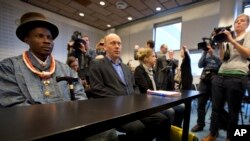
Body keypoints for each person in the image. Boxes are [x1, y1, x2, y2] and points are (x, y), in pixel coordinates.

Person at [89, 33, 171, 141]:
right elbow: (97, 89)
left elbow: (135, 87)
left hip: (133, 107)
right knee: (139, 128)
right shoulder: (97, 64)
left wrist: (134, 100)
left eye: (119, 43)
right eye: (113, 43)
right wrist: (122, 101)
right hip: (114, 110)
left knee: (163, 120)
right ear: (105, 47)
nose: (117, 46)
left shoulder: (126, 68)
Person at [0, 12, 87, 107]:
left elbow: (80, 96)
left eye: (49, 37)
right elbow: (12, 104)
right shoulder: (9, 67)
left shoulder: (66, 69)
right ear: (27, 39)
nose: (47, 41)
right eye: (40, 36)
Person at [202, 13, 250, 141]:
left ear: (247, 24)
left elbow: (247, 54)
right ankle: (212, 134)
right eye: (236, 21)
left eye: (242, 21)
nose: (238, 23)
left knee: (233, 111)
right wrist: (221, 43)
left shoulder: (248, 35)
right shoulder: (229, 39)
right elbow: (223, 58)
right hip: (221, 75)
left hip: (237, 76)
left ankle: (230, 137)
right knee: (216, 108)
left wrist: (232, 41)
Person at [134, 47, 184, 127]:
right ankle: (166, 134)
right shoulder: (139, 70)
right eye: (153, 56)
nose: (156, 58)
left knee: (181, 107)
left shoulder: (152, 70)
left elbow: (156, 88)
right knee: (170, 112)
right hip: (147, 102)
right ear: (146, 59)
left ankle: (175, 131)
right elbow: (145, 90)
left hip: (156, 99)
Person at [191, 45, 221, 132]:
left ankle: (215, 127)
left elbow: (221, 64)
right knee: (200, 103)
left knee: (216, 105)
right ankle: (200, 124)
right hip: (205, 78)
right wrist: (204, 53)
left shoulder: (221, 49)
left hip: (216, 77)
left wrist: (212, 54)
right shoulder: (206, 51)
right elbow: (200, 65)